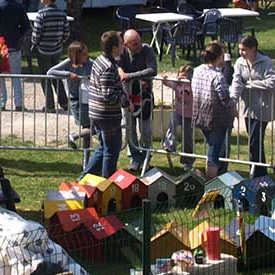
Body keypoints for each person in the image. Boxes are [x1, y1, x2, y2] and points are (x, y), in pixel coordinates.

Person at [231, 34, 275, 177]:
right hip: (248, 108)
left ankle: (256, 173)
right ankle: (260, 173)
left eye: (244, 49)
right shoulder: (239, 63)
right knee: (255, 141)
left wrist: (251, 84)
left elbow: (273, 83)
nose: (241, 52)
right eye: (240, 49)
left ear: (253, 49)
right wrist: (233, 101)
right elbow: (237, 82)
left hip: (263, 109)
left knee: (254, 141)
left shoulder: (266, 62)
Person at [81, 31, 126, 179]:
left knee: (103, 148)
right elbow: (108, 96)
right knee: (111, 151)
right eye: (121, 43)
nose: (123, 45)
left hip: (97, 113)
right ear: (114, 48)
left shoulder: (99, 60)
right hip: (107, 116)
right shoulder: (108, 67)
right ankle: (108, 184)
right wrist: (125, 101)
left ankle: (84, 179)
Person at [192, 42, 235, 180]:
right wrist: (234, 107)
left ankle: (212, 178)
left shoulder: (197, 70)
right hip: (216, 118)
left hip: (200, 115)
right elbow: (225, 99)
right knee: (214, 153)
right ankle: (211, 183)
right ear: (219, 57)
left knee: (212, 148)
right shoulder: (217, 76)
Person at [118, 29, 157, 171]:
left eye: (139, 41)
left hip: (144, 96)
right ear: (126, 45)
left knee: (145, 129)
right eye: (134, 44)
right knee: (129, 128)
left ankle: (146, 155)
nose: (139, 45)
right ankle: (134, 158)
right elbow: (116, 66)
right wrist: (120, 70)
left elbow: (152, 70)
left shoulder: (147, 50)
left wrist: (129, 76)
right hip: (127, 95)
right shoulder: (122, 52)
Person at [49, 41, 93, 156]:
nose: (87, 56)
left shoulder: (90, 63)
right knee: (95, 128)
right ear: (76, 56)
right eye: (84, 54)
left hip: (89, 99)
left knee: (89, 128)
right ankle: (74, 136)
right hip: (76, 100)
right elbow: (50, 72)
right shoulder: (69, 63)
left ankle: (86, 157)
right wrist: (68, 74)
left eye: (87, 53)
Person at [31, 0, 70, 112]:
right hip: (57, 50)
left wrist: (35, 44)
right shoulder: (62, 13)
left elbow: (36, 35)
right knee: (56, 75)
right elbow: (66, 33)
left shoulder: (41, 14)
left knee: (45, 77)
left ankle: (50, 105)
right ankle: (64, 102)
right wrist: (59, 43)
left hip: (43, 51)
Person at [159, 65, 195, 169]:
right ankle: (170, 145)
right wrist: (164, 79)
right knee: (173, 123)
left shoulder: (192, 86)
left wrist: (187, 81)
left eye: (184, 77)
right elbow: (167, 83)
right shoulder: (176, 84)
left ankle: (188, 161)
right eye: (180, 75)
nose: (181, 79)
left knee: (187, 137)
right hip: (178, 112)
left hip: (189, 115)